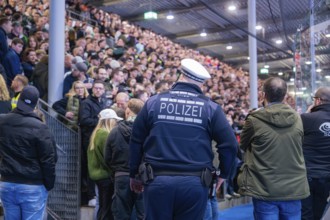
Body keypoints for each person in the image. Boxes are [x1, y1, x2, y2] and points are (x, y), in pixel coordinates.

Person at [129, 58, 237, 220]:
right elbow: (229, 144)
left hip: (157, 180)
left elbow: (136, 140)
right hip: (195, 183)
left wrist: (133, 173)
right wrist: (224, 174)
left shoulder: (153, 102)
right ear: (201, 83)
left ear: (180, 75)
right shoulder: (210, 108)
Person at [237, 77, 310, 220]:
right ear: (285, 95)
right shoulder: (298, 118)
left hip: (265, 187)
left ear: (263, 94)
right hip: (293, 187)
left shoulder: (254, 119)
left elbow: (242, 145)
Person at [0, 85, 57, 219]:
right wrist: (48, 184)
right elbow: (49, 159)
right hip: (32, 185)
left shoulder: (2, 121)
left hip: (7, 182)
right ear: (36, 104)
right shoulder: (41, 128)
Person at [105, 98, 145, 220]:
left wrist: (115, 171)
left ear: (127, 111)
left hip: (121, 176)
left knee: (121, 213)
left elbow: (107, 157)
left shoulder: (114, 131)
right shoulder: (146, 132)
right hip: (141, 177)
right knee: (143, 213)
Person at [301, 87, 330, 220]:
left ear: (317, 101)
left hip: (307, 175)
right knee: (319, 214)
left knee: (306, 214)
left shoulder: (306, 118)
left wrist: (308, 113)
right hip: (326, 177)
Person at [88, 108, 122, 220]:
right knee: (106, 208)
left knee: (102, 206)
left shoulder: (96, 133)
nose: (116, 122)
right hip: (106, 176)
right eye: (114, 120)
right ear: (109, 120)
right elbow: (107, 158)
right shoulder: (104, 134)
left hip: (98, 176)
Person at [79, 80, 106, 206]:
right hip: (89, 139)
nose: (98, 90)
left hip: (99, 138)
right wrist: (100, 121)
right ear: (92, 89)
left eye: (101, 88)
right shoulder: (86, 103)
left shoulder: (103, 103)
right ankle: (91, 195)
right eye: (96, 88)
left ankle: (96, 194)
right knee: (91, 166)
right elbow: (84, 120)